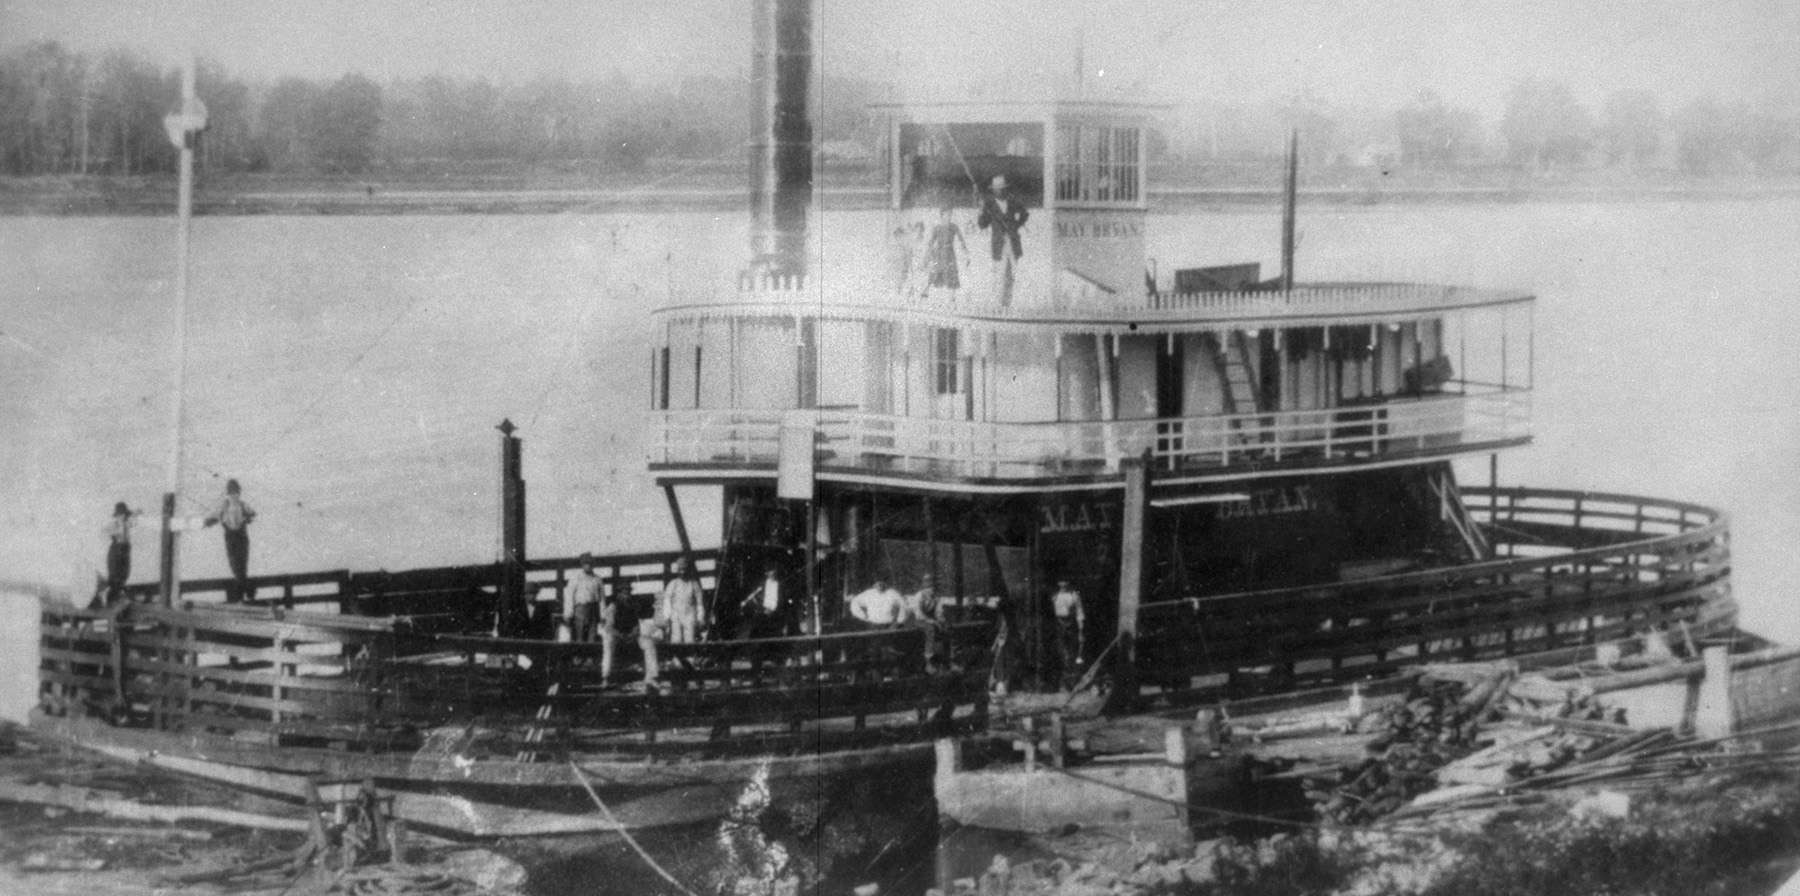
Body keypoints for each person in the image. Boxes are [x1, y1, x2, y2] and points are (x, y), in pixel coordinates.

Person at [977, 175, 1029, 304]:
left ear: (1005, 189)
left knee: (1015, 273)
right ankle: (999, 305)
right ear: (993, 190)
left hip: (1013, 242)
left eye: (1002, 188)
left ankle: (1011, 303)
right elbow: (982, 224)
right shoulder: (989, 205)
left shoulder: (1012, 201)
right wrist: (981, 210)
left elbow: (1025, 213)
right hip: (999, 245)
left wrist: (1016, 225)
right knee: (999, 275)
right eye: (997, 189)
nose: (999, 191)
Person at [204, 479, 256, 603]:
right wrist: (247, 518)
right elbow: (252, 514)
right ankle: (246, 592)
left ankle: (243, 594)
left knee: (236, 565)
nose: (234, 494)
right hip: (240, 538)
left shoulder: (227, 505)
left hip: (234, 538)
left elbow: (212, 518)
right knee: (240, 566)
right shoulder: (239, 504)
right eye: (232, 491)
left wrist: (211, 521)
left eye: (235, 491)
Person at [923, 205, 968, 298]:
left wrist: (965, 251)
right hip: (939, 254)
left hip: (950, 254)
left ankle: (952, 297)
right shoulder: (937, 228)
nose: (948, 216)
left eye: (950, 214)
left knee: (952, 273)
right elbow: (930, 242)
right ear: (942, 215)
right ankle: (926, 291)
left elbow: (961, 239)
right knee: (935, 272)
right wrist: (927, 254)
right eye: (946, 214)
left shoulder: (954, 226)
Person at [658, 557, 705, 644]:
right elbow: (667, 601)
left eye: (684, 569)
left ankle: (690, 657)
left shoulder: (694, 584)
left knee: (690, 640)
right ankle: (677, 657)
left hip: (690, 614)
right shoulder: (673, 584)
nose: (682, 572)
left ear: (688, 570)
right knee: (676, 640)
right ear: (677, 570)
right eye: (680, 569)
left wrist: (700, 617)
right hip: (676, 615)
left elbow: (699, 602)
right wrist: (666, 616)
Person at [737, 562, 789, 640]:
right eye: (770, 572)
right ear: (767, 573)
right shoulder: (762, 584)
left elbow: (782, 600)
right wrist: (746, 602)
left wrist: (775, 610)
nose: (772, 573)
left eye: (774, 571)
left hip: (776, 613)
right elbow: (754, 594)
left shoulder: (780, 585)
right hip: (763, 611)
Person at [904, 574, 945, 666]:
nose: (930, 590)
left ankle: (946, 657)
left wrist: (940, 620)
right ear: (923, 587)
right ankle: (928, 658)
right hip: (913, 620)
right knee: (930, 629)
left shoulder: (936, 597)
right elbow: (918, 614)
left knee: (945, 627)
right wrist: (933, 621)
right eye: (927, 587)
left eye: (931, 587)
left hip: (926, 619)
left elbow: (939, 611)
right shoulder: (919, 596)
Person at [1051, 578, 1086, 687]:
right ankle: (1061, 681)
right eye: (1061, 581)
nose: (1063, 583)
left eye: (1065, 581)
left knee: (1071, 652)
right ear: (1058, 583)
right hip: (1058, 624)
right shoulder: (1054, 596)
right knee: (1061, 652)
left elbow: (1079, 611)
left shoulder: (1074, 595)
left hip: (1070, 624)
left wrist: (1081, 628)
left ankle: (1071, 681)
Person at [565, 553, 603, 643]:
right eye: (586, 564)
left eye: (590, 563)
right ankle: (579, 656)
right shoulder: (576, 578)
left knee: (592, 636)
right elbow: (569, 596)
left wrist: (603, 614)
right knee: (580, 636)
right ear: (582, 565)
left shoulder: (597, 579)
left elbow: (602, 598)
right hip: (580, 610)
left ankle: (590, 656)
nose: (588, 566)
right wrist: (568, 613)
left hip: (593, 609)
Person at [102, 502, 135, 605]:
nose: (123, 516)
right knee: (114, 576)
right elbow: (104, 531)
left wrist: (136, 513)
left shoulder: (127, 523)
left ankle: (116, 599)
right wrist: (115, 533)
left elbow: (134, 518)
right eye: (120, 514)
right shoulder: (113, 524)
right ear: (117, 515)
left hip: (125, 550)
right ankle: (110, 601)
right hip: (116, 550)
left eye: (124, 514)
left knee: (125, 574)